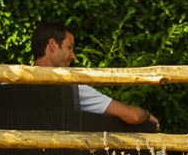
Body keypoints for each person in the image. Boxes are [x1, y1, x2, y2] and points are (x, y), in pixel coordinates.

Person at [31, 22, 160, 128]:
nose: (74, 56)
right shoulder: (72, 89)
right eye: (69, 47)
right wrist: (147, 115)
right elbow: (133, 116)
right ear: (53, 45)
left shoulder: (11, 82)